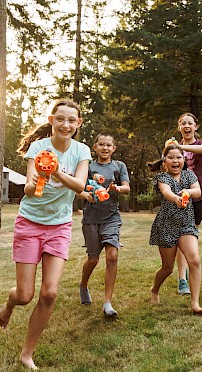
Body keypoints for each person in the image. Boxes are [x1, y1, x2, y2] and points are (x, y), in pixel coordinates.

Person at [0, 99, 91, 370]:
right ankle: (10, 302)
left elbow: (79, 185)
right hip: (30, 223)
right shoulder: (38, 148)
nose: (66, 124)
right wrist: (37, 180)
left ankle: (27, 353)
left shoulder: (81, 150)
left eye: (71, 120)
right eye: (60, 119)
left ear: (78, 124)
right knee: (25, 295)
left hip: (59, 226)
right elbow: (28, 188)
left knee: (49, 293)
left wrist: (58, 173)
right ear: (51, 120)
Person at [148, 143, 202, 315]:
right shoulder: (162, 178)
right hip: (166, 225)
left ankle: (195, 303)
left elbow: (198, 191)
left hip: (186, 225)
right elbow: (166, 192)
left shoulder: (190, 175)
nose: (175, 161)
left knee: (194, 260)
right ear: (165, 161)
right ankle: (154, 289)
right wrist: (176, 199)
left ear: (184, 160)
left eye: (179, 157)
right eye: (171, 157)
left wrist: (187, 192)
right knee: (167, 268)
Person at [78, 133, 130, 317]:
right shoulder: (88, 166)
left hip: (111, 217)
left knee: (112, 255)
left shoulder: (119, 166)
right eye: (101, 144)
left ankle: (107, 303)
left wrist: (117, 188)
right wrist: (87, 193)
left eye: (108, 145)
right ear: (95, 147)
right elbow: (79, 189)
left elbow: (127, 188)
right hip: (91, 218)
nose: (105, 148)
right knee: (93, 259)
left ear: (114, 148)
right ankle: (83, 285)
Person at [175, 112, 202, 295]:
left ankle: (191, 265)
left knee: (192, 234)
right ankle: (182, 279)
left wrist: (179, 146)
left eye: (190, 123)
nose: (186, 126)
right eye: (183, 123)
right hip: (179, 195)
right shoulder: (173, 148)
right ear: (179, 127)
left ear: (196, 126)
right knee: (182, 235)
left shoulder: (200, 144)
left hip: (199, 195)